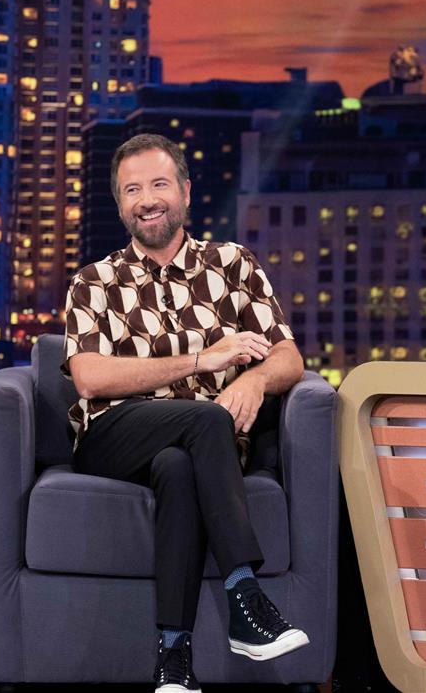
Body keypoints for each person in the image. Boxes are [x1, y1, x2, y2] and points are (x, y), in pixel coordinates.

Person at [62, 134, 309, 693]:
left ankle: (173, 659)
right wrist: (202, 359)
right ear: (120, 205)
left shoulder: (233, 265)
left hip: (204, 449)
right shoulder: (94, 282)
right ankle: (245, 596)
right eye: (132, 190)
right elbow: (89, 377)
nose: (147, 200)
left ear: (186, 191)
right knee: (206, 418)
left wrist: (254, 378)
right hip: (113, 437)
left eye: (158, 184)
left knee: (178, 465)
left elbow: (289, 356)